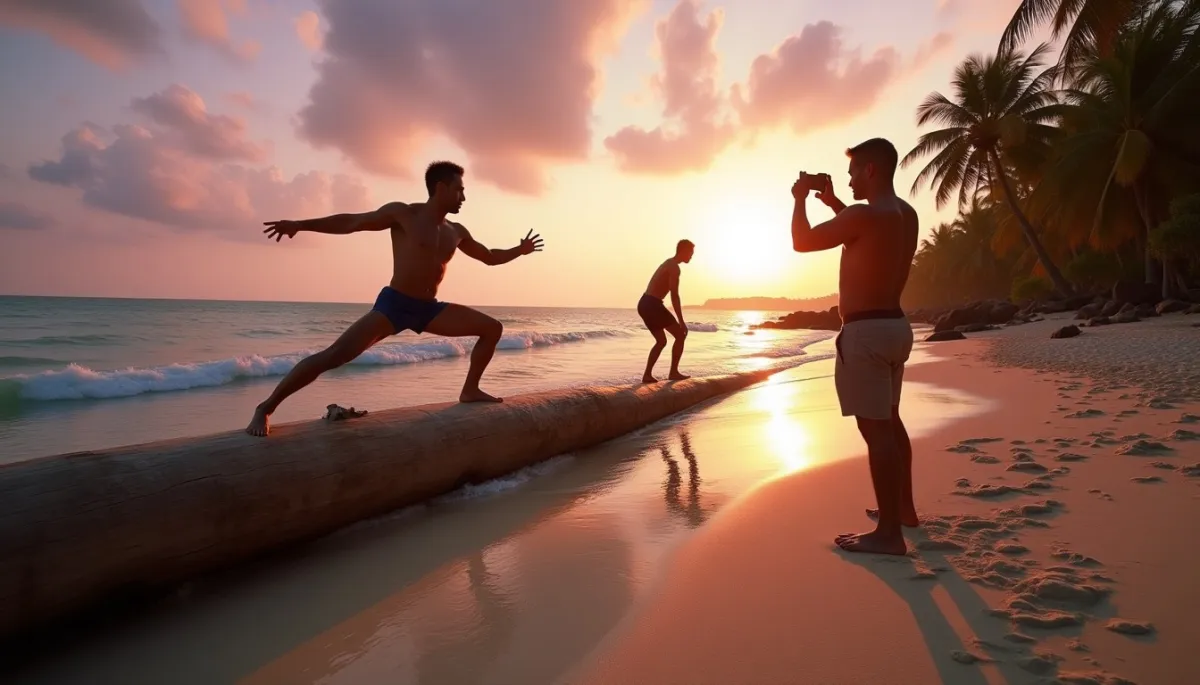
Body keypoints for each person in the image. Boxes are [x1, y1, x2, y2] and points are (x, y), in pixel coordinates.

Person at [245, 161, 544, 437]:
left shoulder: (456, 231)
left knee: (492, 329)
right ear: (440, 187)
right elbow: (353, 222)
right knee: (335, 355)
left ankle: (470, 390)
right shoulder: (404, 214)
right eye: (459, 189)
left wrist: (519, 250)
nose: (463, 197)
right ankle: (266, 407)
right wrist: (301, 224)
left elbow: (489, 257)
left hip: (428, 309)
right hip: (395, 304)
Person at [789, 138, 919, 556]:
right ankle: (903, 511)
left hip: (865, 334)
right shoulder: (905, 215)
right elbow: (864, 235)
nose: (847, 179)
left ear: (871, 171)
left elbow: (802, 242)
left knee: (874, 429)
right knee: (892, 421)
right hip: (896, 328)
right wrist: (831, 202)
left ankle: (889, 534)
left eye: (852, 171)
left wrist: (798, 199)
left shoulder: (863, 215)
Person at [638, 240, 694, 383]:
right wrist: (681, 321)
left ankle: (647, 375)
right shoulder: (674, 267)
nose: (692, 256)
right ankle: (673, 372)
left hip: (644, 303)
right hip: (652, 304)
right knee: (680, 335)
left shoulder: (668, 263)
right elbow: (674, 295)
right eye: (691, 253)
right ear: (683, 251)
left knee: (661, 341)